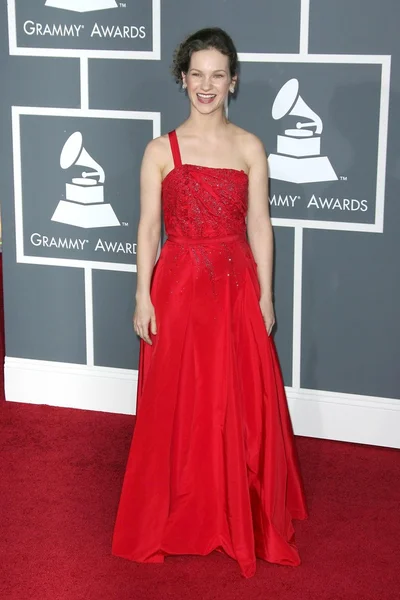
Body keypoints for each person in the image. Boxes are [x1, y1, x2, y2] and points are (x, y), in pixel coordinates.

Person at [112, 27, 308, 579]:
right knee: (182, 400)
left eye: (217, 74)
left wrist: (267, 295)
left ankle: (235, 508)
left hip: (237, 286)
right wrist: (141, 296)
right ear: (182, 78)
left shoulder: (250, 147)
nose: (206, 84)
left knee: (238, 398)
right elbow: (149, 229)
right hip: (175, 290)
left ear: (233, 81)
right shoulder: (159, 150)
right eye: (196, 73)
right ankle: (183, 509)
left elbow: (261, 227)